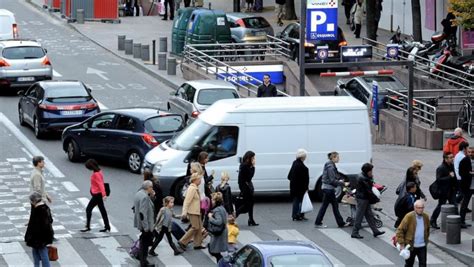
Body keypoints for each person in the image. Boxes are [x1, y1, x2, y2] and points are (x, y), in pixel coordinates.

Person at [315, 152, 350, 227]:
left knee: (333, 206)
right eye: (337, 157)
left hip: (328, 188)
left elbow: (334, 177)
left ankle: (340, 223)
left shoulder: (330, 164)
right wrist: (343, 184)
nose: (339, 158)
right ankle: (318, 222)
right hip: (328, 189)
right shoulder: (330, 166)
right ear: (333, 158)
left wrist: (340, 180)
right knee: (330, 206)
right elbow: (332, 180)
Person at [351, 163, 385, 239]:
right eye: (371, 171)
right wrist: (376, 199)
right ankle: (355, 232)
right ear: (368, 171)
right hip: (363, 199)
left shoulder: (361, 175)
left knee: (369, 215)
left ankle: (375, 231)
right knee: (359, 216)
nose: (372, 172)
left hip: (363, 198)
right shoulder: (364, 179)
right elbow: (368, 191)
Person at [396, 200, 430, 267]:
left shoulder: (426, 217)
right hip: (411, 246)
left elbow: (427, 229)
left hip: (422, 246)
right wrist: (402, 244)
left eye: (422, 207)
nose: (421, 209)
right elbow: (400, 230)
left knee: (423, 264)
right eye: (419, 208)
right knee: (409, 264)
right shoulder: (409, 216)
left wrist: (426, 239)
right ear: (415, 208)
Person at [81, 159, 110, 233]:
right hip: (98, 194)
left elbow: (101, 185)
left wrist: (104, 195)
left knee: (88, 209)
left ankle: (87, 226)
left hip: (97, 195)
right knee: (102, 210)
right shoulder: (99, 171)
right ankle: (107, 226)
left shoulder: (96, 174)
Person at [25, 192, 54, 267]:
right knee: (36, 252)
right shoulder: (44, 207)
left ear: (34, 201)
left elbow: (41, 225)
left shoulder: (39, 210)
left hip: (39, 237)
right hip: (38, 237)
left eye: (31, 201)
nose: (30, 203)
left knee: (42, 253)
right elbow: (50, 220)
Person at [430, 152, 457, 229]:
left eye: (452, 157)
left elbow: (453, 177)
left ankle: (457, 222)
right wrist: (449, 176)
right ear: (445, 159)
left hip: (451, 190)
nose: (452, 159)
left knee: (455, 205)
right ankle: (432, 220)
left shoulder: (451, 165)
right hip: (444, 191)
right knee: (440, 206)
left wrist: (456, 187)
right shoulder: (441, 168)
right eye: (450, 157)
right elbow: (439, 180)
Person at [179, 173, 205, 250]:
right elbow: (187, 201)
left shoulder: (195, 188)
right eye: (199, 179)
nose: (200, 181)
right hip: (193, 211)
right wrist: (184, 212)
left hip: (196, 211)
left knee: (199, 227)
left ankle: (197, 244)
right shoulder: (192, 189)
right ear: (195, 180)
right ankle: (182, 241)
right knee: (195, 227)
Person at [134, 180, 155, 267]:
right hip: (145, 224)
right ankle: (143, 262)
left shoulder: (139, 193)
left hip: (140, 222)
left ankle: (141, 258)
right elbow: (143, 213)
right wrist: (146, 227)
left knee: (144, 241)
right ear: (148, 188)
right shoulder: (145, 197)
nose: (152, 189)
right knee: (144, 244)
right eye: (152, 187)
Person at [236, 151, 258, 226]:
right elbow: (249, 177)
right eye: (253, 158)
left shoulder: (245, 165)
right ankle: (234, 215)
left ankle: (251, 219)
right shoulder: (245, 166)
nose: (254, 159)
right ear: (249, 158)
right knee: (247, 204)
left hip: (245, 186)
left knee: (251, 203)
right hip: (245, 187)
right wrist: (253, 167)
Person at [288, 149, 310, 221]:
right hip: (301, 187)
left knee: (296, 201)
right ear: (303, 157)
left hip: (294, 186)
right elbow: (305, 180)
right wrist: (306, 188)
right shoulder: (303, 168)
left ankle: (294, 215)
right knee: (302, 201)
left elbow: (289, 176)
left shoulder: (294, 163)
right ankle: (299, 214)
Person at [207, 192, 228, 262]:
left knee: (215, 251)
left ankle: (222, 263)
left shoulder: (217, 210)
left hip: (218, 232)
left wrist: (210, 217)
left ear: (216, 201)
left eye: (212, 200)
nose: (211, 201)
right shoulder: (222, 208)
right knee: (216, 250)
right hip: (222, 231)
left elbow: (219, 222)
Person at [458, 147, 473, 228]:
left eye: (472, 152)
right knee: (464, 204)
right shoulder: (464, 160)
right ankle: (461, 221)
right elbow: (461, 172)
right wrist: (470, 173)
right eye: (469, 152)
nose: (470, 154)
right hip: (468, 186)